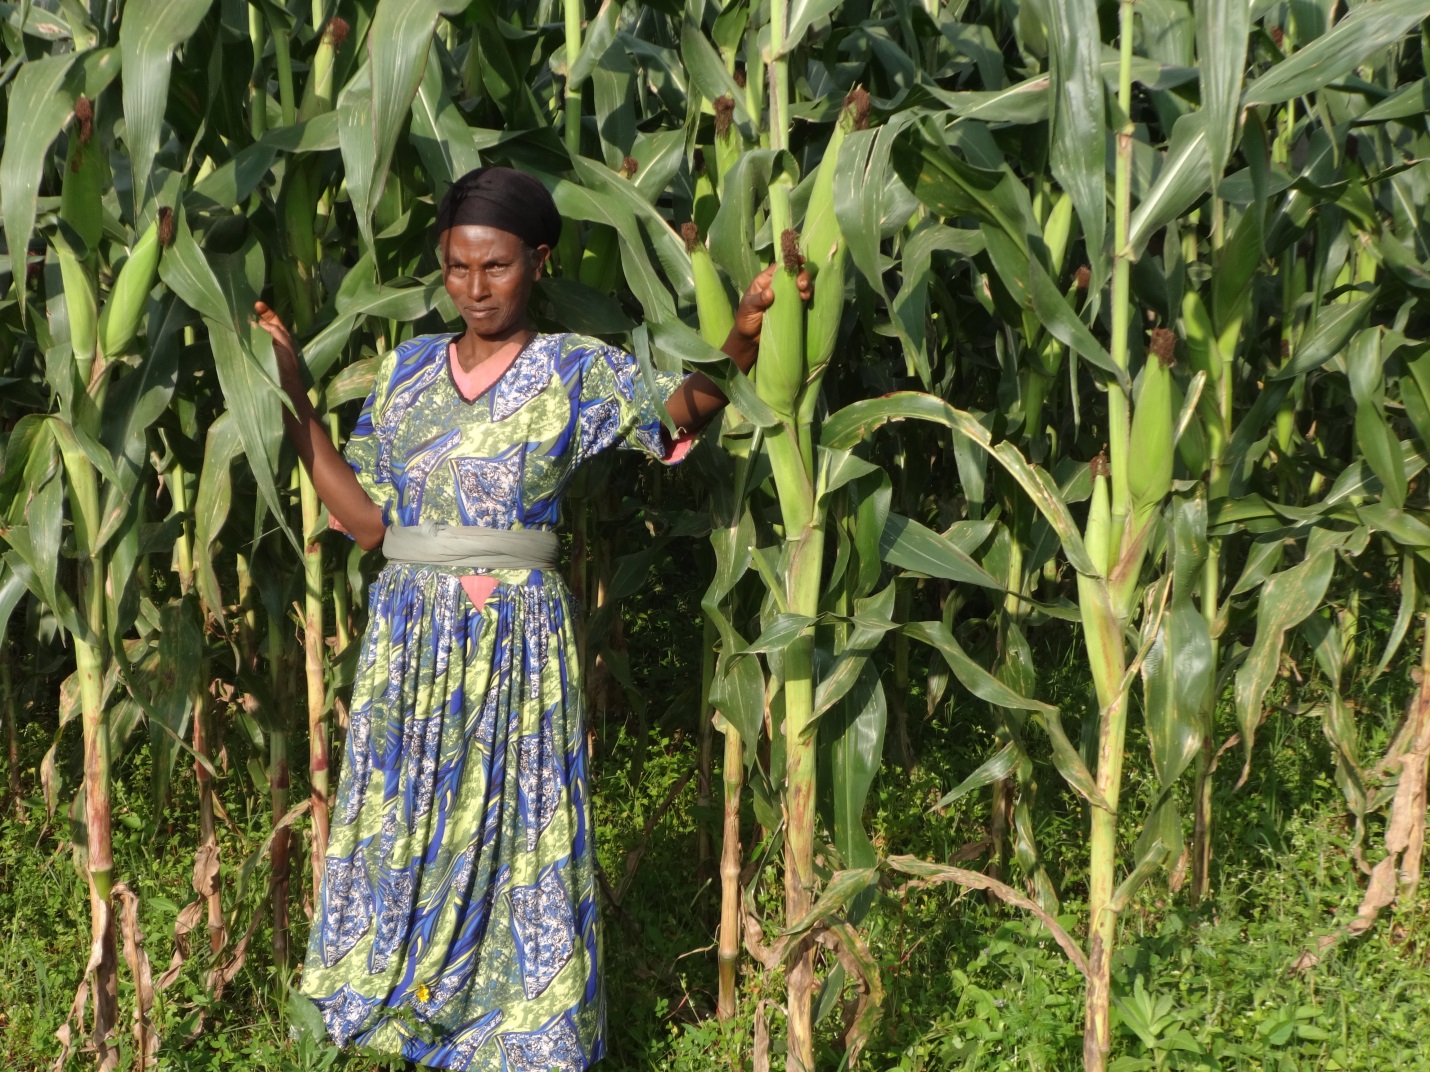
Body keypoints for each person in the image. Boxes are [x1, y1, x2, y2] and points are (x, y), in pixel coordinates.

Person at [254, 165, 810, 1071]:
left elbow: (675, 418)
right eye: (459, 267)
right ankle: (383, 995)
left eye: (497, 267)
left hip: (519, 631)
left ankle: (526, 1024)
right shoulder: (403, 374)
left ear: (539, 263)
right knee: (404, 810)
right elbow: (362, 520)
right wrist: (291, 396)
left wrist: (741, 340)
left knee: (521, 816)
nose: (475, 289)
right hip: (411, 632)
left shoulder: (573, 369)